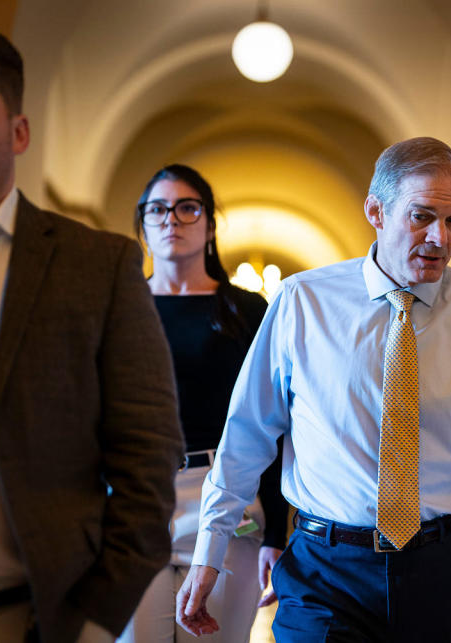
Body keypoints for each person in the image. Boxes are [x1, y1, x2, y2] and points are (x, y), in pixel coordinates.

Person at [175, 136, 451, 642]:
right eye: (421, 216)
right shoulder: (301, 303)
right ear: (375, 211)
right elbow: (246, 436)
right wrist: (211, 548)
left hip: (443, 568)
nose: (440, 238)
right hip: (324, 572)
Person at [0, 12, 183, 643]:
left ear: (18, 130)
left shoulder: (95, 267)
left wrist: (95, 624)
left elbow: (148, 462)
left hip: (25, 620)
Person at [119, 164, 287, 643]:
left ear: (210, 225)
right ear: (144, 224)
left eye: (187, 208)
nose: (171, 218)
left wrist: (277, 526)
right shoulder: (120, 306)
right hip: (138, 497)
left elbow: (272, 421)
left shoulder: (248, 309)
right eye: (158, 209)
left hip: (226, 494)